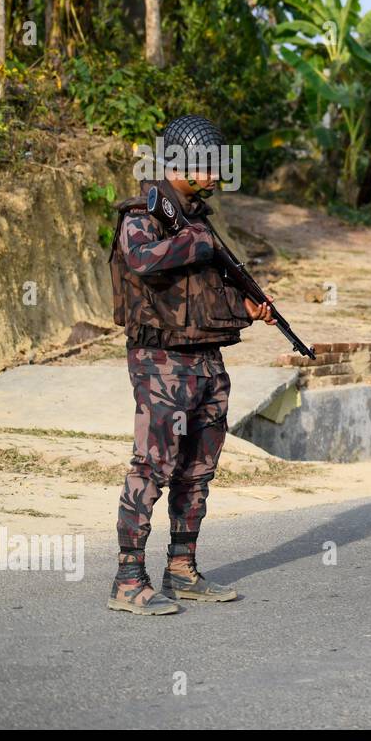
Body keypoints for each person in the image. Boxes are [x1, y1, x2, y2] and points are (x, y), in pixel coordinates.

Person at [107, 115, 277, 616]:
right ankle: (127, 578)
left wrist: (244, 309)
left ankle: (181, 570)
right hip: (160, 361)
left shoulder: (197, 218)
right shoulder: (143, 213)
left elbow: (201, 297)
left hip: (204, 359)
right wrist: (194, 242)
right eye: (209, 165)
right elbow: (141, 260)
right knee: (153, 465)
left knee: (198, 468)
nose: (218, 174)